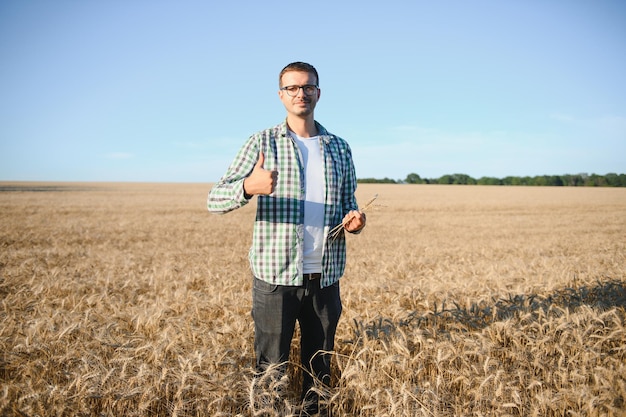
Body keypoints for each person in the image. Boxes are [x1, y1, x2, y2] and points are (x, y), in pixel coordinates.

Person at [207, 61, 366, 414]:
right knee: (270, 369)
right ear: (281, 95)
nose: (301, 94)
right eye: (292, 88)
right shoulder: (262, 142)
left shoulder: (339, 147)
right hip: (275, 277)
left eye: (308, 87)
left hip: (325, 276)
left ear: (318, 93)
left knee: (319, 368)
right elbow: (214, 198)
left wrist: (354, 220)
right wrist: (249, 186)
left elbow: (347, 202)